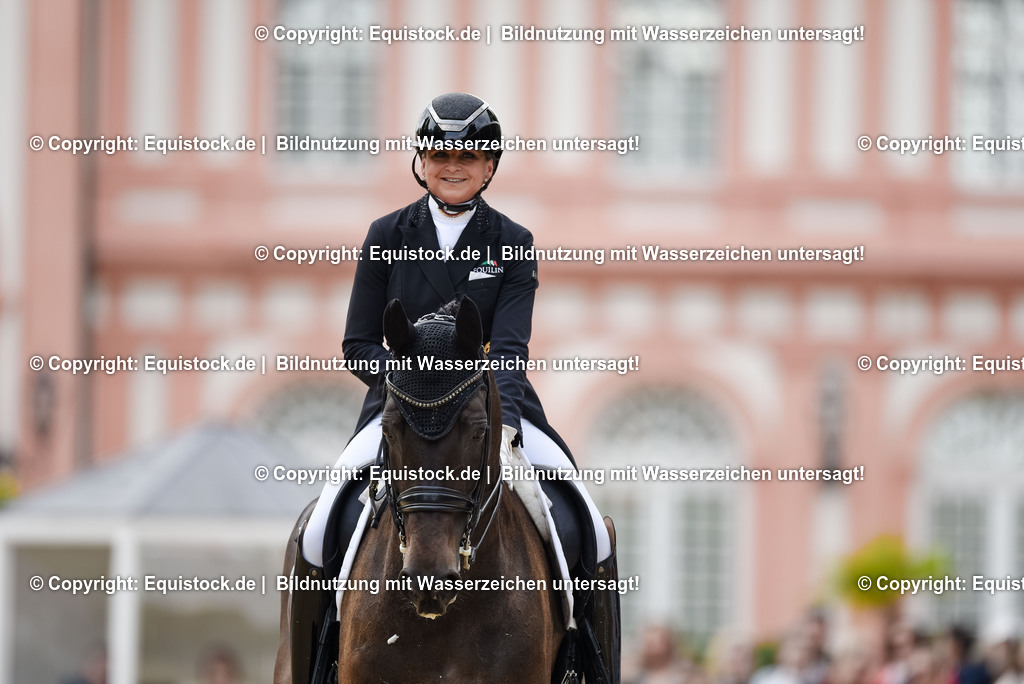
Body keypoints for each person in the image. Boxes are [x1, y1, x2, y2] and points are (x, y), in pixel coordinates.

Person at [288, 92, 619, 683]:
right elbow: (358, 342)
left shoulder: (513, 241)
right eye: (439, 152)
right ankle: (315, 668)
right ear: (421, 160)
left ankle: (588, 667)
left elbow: (511, 349)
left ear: (490, 166)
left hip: (491, 409)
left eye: (469, 154)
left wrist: (500, 419)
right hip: (400, 412)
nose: (453, 163)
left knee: (590, 525)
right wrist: (411, 391)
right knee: (317, 530)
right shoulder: (386, 233)